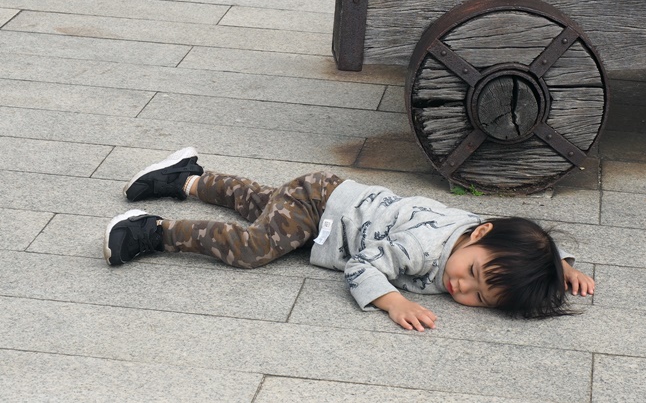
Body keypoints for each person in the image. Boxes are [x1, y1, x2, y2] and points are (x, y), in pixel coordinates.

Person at [104, 147, 595, 331]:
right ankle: (152, 231)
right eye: (470, 275)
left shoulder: (476, 235)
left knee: (257, 203)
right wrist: (391, 301)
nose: (461, 289)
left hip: (326, 199)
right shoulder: (425, 247)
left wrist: (559, 266)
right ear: (477, 235)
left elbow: (522, 241)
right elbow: (363, 264)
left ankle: (186, 177)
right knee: (253, 246)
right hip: (323, 209)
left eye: (480, 298)